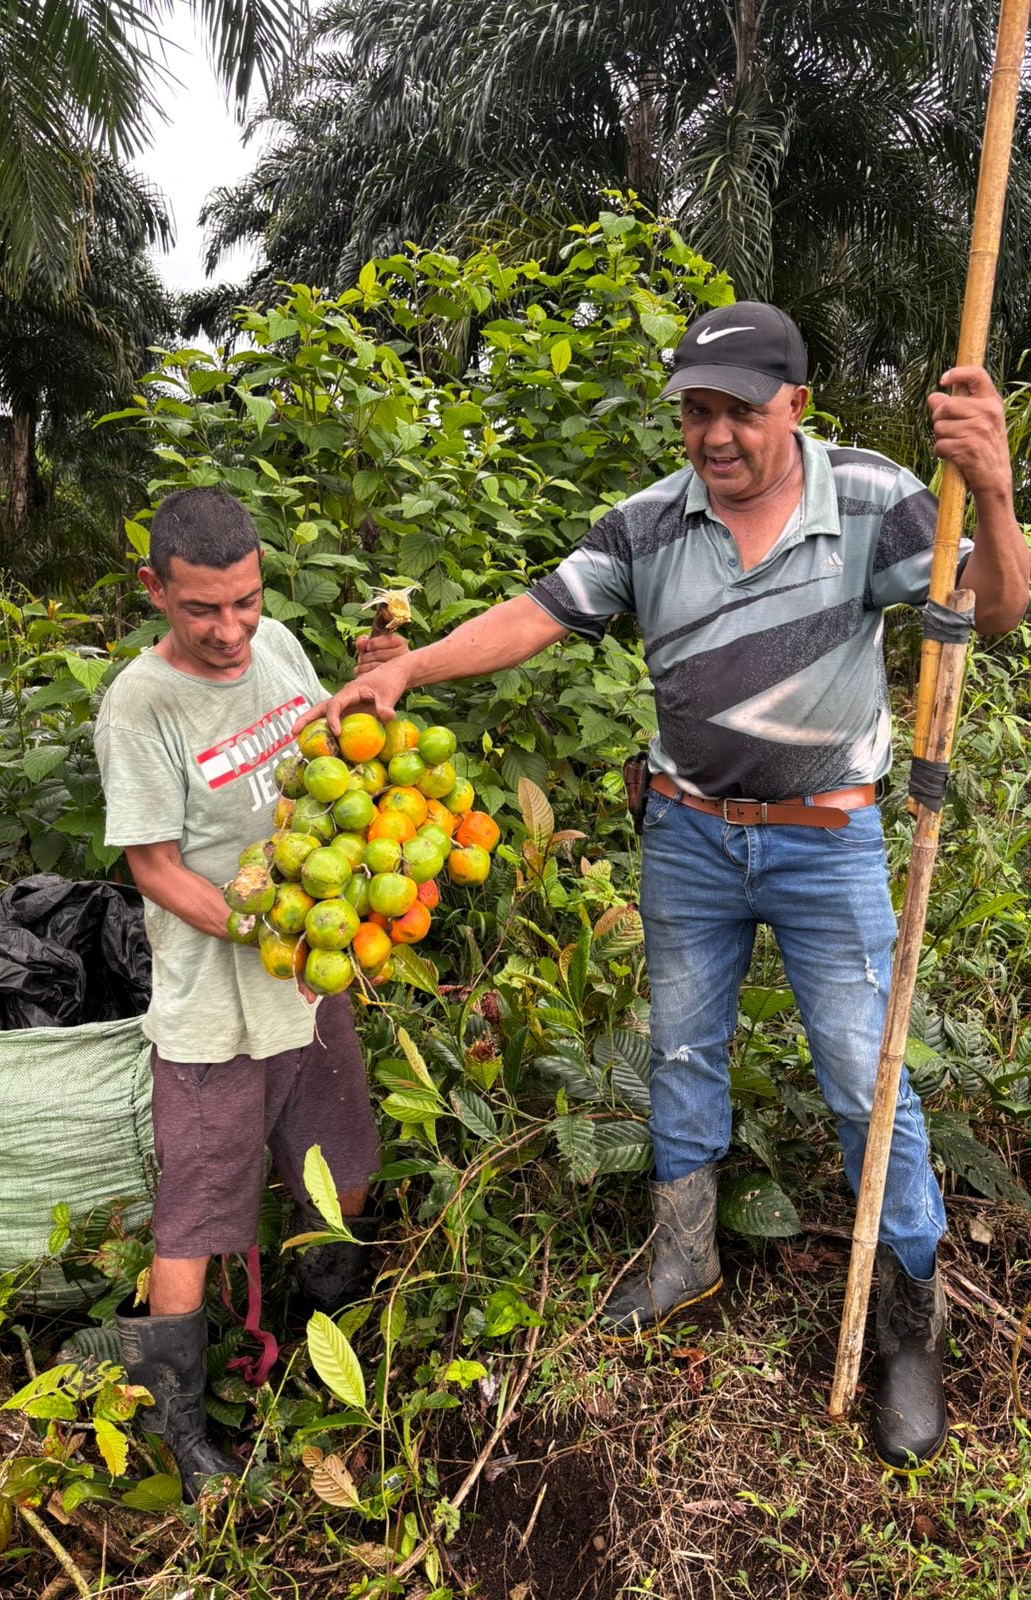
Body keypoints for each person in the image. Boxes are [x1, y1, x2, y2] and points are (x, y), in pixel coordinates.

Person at [297, 302, 1029, 1471]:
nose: (717, 434)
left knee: (864, 1073)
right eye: (698, 411)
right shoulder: (647, 525)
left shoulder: (880, 495)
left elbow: (991, 609)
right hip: (687, 831)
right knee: (680, 1049)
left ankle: (904, 1325)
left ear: (796, 403)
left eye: (741, 409)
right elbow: (538, 612)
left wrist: (991, 489)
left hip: (825, 839)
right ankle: (685, 1254)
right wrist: (409, 672)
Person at [94, 488, 380, 1499]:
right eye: (202, 610)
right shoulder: (140, 706)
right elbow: (155, 868)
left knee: (341, 1165)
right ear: (155, 591)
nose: (230, 631)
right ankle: (179, 1431)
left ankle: (324, 1343)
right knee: (198, 1216)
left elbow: (324, 764)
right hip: (218, 1007)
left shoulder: (281, 647)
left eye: (246, 602)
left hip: (313, 979)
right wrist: (260, 926)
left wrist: (370, 707)